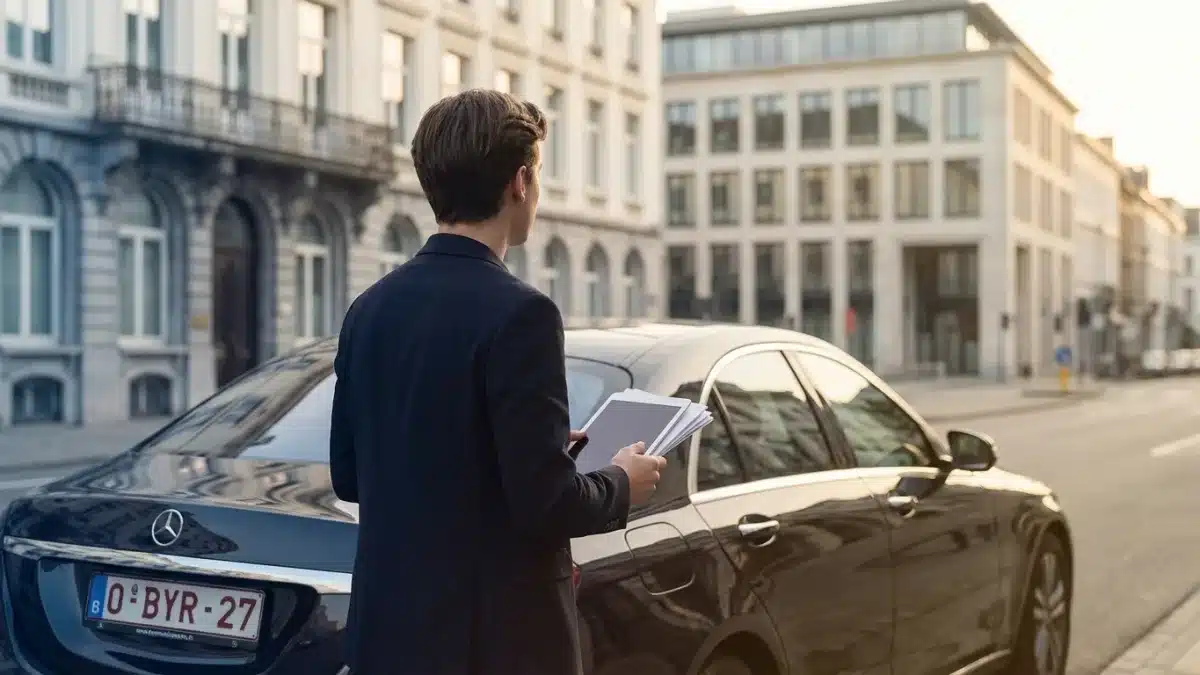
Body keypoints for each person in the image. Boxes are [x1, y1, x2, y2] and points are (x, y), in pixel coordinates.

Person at [329, 89, 668, 675]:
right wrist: (622, 482)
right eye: (538, 174)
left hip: (389, 637)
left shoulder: (369, 308)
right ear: (519, 182)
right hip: (494, 645)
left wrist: (530, 453)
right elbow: (548, 507)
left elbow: (351, 476)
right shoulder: (523, 315)